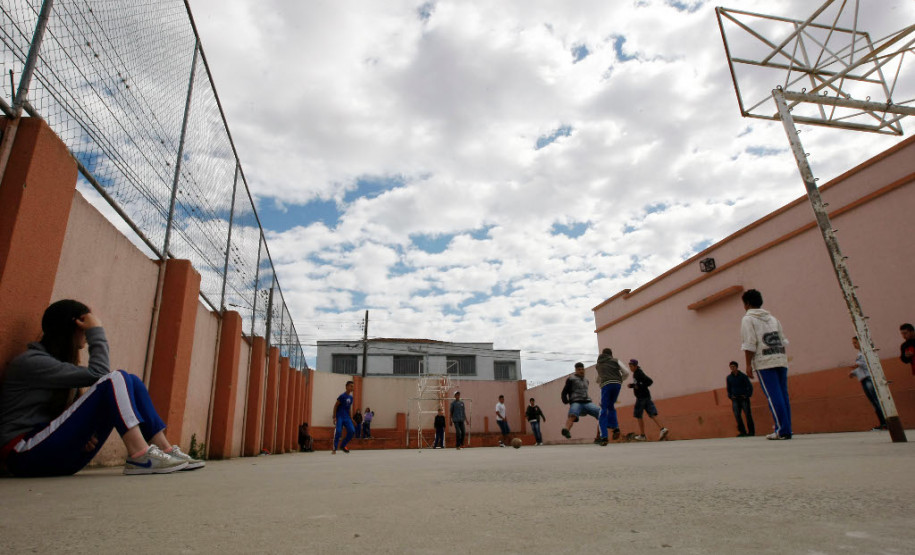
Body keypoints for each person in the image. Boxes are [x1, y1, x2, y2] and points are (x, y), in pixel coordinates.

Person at [0, 300, 203, 476]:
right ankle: (141, 454)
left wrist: (77, 434)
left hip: (57, 457)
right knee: (115, 378)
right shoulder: (31, 362)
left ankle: (165, 450)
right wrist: (96, 331)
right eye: (85, 328)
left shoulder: (58, 365)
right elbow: (100, 374)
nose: (86, 336)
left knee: (131, 380)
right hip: (22, 454)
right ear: (73, 327)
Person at [740, 289, 792, 440]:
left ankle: (781, 429)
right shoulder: (773, 319)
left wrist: (748, 365)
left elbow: (749, 343)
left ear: (747, 304)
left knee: (773, 395)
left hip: (764, 361)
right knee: (783, 395)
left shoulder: (748, 319)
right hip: (780, 358)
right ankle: (786, 428)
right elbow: (782, 340)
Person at [849, 337, 887, 430]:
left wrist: (858, 365)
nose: (854, 345)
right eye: (853, 343)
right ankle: (882, 423)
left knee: (876, 400)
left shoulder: (866, 353)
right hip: (863, 379)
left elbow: (867, 365)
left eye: (855, 342)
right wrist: (853, 373)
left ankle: (885, 422)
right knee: (873, 402)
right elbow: (861, 368)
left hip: (868, 379)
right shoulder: (859, 354)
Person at [627, 360, 669, 441]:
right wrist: (633, 385)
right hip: (646, 397)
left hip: (641, 397)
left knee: (638, 415)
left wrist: (639, 386)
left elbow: (649, 381)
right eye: (629, 366)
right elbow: (639, 383)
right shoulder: (637, 373)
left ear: (635, 366)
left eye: (631, 366)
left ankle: (642, 435)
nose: (630, 368)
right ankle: (662, 429)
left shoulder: (638, 373)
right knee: (652, 414)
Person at [595, 348, 629, 445]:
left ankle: (604, 437)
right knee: (611, 406)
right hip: (617, 385)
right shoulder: (615, 360)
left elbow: (597, 379)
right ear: (611, 354)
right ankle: (615, 427)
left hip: (606, 385)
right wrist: (620, 379)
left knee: (603, 408)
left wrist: (602, 380)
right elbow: (626, 372)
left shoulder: (598, 365)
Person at [560, 362, 601, 439]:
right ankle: (566, 430)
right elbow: (564, 391)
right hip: (576, 402)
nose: (581, 371)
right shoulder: (571, 379)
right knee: (573, 415)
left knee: (601, 414)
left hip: (587, 402)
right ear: (575, 370)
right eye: (579, 370)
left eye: (582, 369)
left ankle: (599, 437)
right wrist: (565, 400)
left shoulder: (586, 380)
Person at [726, 361, 755, 437]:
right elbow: (728, 388)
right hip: (735, 399)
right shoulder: (729, 378)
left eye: (733, 366)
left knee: (748, 415)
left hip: (743, 398)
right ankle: (742, 432)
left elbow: (750, 386)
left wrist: (747, 395)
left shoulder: (743, 376)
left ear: (736, 367)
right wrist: (730, 396)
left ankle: (751, 432)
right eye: (731, 367)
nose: (732, 368)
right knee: (737, 415)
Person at [332, 381, 355, 454]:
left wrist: (351, 418)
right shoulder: (342, 396)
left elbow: (349, 408)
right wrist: (334, 416)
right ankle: (334, 448)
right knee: (338, 431)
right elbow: (336, 406)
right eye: (351, 386)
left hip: (347, 417)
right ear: (346, 387)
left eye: (353, 386)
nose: (352, 388)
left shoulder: (351, 398)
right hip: (340, 416)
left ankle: (343, 445)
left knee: (352, 431)